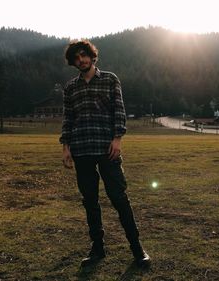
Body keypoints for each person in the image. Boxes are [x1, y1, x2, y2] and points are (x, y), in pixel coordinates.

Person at [60, 40, 150, 268]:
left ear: (91, 56)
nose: (81, 60)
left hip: (107, 149)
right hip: (81, 150)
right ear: (73, 62)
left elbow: (119, 111)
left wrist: (118, 139)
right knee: (90, 201)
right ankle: (97, 249)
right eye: (76, 58)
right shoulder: (70, 87)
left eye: (84, 55)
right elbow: (68, 119)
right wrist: (66, 147)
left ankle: (137, 249)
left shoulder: (110, 79)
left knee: (119, 198)